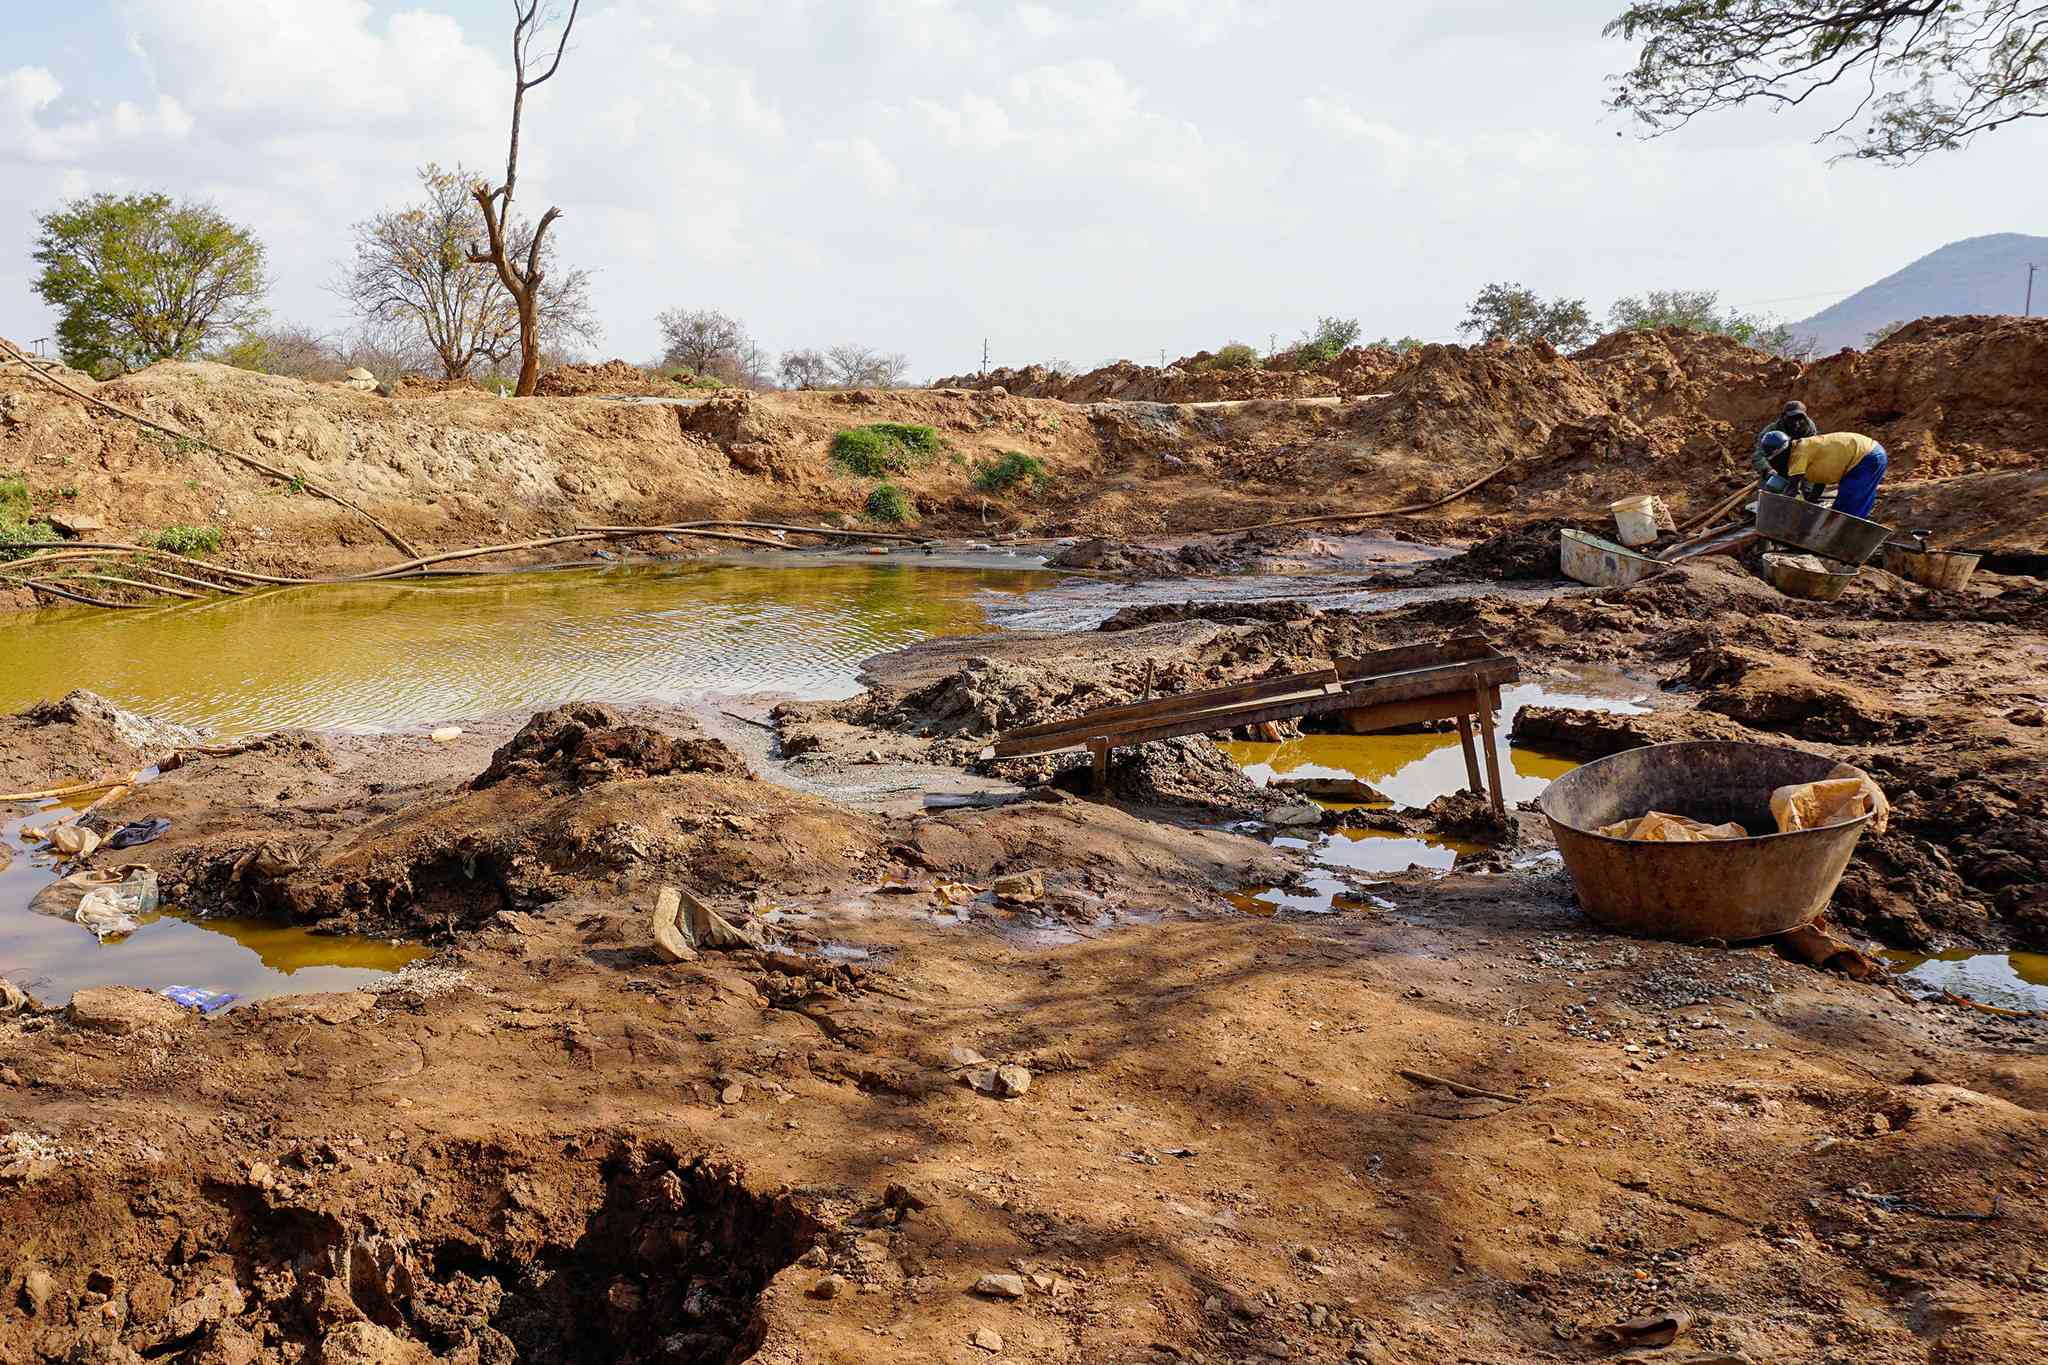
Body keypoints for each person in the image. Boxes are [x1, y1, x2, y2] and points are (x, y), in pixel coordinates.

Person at [1756, 430, 1889, 519]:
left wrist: (1776, 514)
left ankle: (1844, 543)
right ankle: (1846, 539)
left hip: (1866, 457)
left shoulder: (1798, 453)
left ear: (1781, 453)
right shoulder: (1807, 450)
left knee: (1849, 506)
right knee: (1853, 504)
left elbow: (1792, 490)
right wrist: (1812, 502)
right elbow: (1821, 479)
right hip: (1866, 456)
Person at [1750, 400, 1818, 482]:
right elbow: (1758, 455)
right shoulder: (1772, 431)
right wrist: (1768, 470)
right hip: (1777, 464)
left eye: (1799, 418)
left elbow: (1813, 452)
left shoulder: (1809, 428)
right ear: (1783, 416)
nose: (1796, 423)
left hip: (1799, 463)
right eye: (1792, 418)